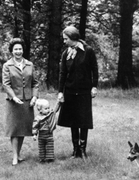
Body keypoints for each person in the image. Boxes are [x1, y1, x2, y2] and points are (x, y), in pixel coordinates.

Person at [58, 26, 98, 159]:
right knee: (73, 121)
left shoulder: (88, 51)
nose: (64, 41)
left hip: (84, 91)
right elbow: (62, 74)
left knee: (83, 121)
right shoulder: (66, 53)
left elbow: (94, 70)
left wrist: (94, 86)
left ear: (73, 38)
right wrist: (60, 92)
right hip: (69, 91)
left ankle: (83, 150)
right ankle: (75, 151)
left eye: (66, 39)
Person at [2, 38, 39, 165]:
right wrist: (13, 96)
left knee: (23, 128)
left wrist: (34, 97)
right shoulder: (7, 65)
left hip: (28, 101)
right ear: (12, 51)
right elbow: (6, 84)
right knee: (14, 129)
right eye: (16, 49)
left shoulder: (30, 64)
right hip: (13, 101)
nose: (18, 51)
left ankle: (18, 154)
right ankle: (14, 156)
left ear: (23, 50)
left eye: (20, 49)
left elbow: (35, 83)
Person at [32, 99, 61, 163]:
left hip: (49, 134)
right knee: (41, 147)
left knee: (50, 146)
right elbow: (35, 127)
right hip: (41, 135)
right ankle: (42, 158)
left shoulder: (50, 114)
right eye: (46, 108)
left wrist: (58, 102)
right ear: (40, 110)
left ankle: (49, 159)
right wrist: (34, 134)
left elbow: (55, 109)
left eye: (48, 108)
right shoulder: (38, 118)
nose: (48, 109)